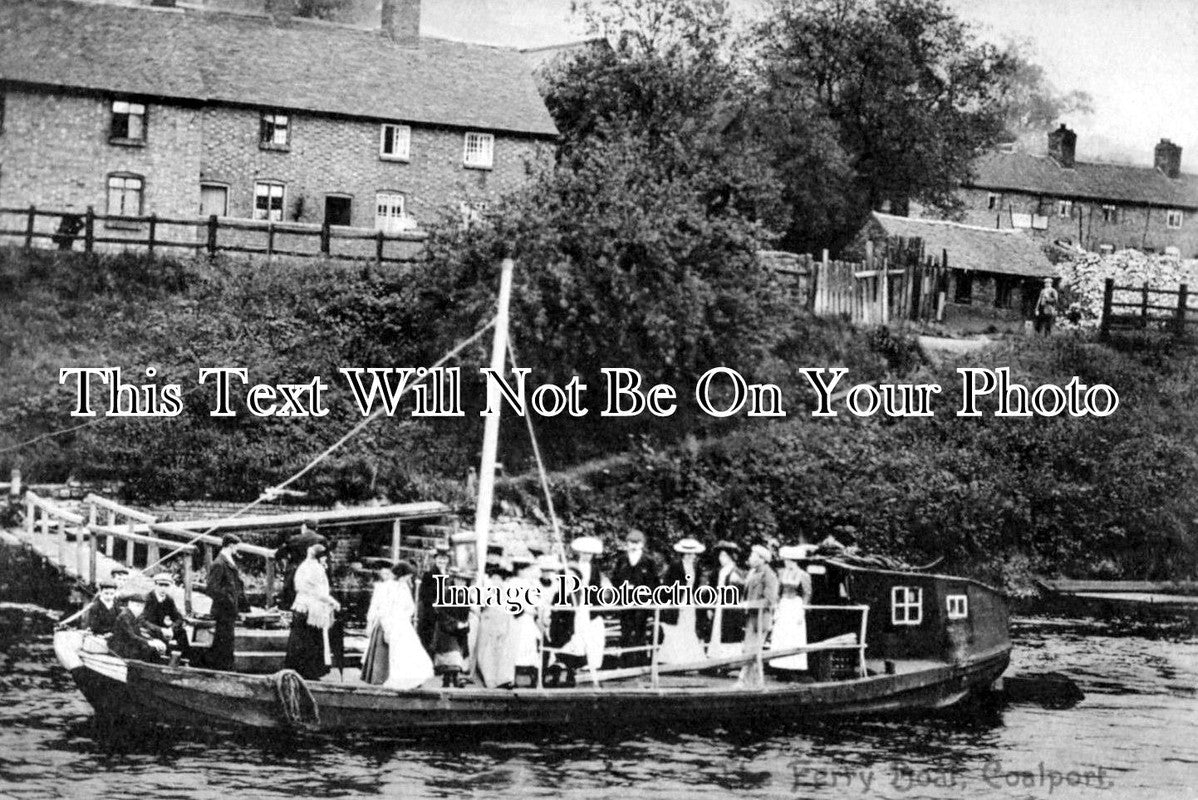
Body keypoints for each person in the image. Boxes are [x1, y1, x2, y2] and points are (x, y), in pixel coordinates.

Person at [285, 543, 341, 681]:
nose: (326, 560)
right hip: (311, 609)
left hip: (301, 606)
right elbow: (319, 592)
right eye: (325, 558)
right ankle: (310, 672)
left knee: (300, 640)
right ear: (320, 557)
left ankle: (296, 670)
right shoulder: (316, 569)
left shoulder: (304, 565)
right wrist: (333, 602)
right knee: (312, 641)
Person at [377, 561, 434, 689]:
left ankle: (414, 677)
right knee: (398, 653)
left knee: (412, 649)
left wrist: (407, 614)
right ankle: (400, 680)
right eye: (408, 576)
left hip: (403, 622)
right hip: (394, 623)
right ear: (402, 575)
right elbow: (384, 610)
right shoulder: (389, 587)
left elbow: (410, 606)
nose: (409, 578)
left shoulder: (403, 587)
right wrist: (387, 628)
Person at [609, 529, 660, 667]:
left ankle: (640, 661)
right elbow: (615, 579)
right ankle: (625, 661)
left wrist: (648, 599)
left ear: (642, 544)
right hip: (625, 601)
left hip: (641, 603)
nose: (633, 545)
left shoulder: (648, 561)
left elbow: (654, 583)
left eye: (637, 543)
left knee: (640, 631)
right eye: (631, 542)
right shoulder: (622, 560)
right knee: (625, 630)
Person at [558, 536, 607, 677]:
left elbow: (596, 588)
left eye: (590, 554)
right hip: (575, 603)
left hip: (589, 603)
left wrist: (597, 605)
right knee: (578, 632)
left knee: (593, 632)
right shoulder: (571, 567)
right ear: (579, 553)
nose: (587, 556)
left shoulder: (594, 569)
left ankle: (593, 662)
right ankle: (575, 661)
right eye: (584, 553)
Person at [657, 538, 708, 665]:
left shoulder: (696, 567)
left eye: (693, 554)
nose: (691, 556)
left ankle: (687, 659)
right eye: (688, 554)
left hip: (689, 600)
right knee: (676, 629)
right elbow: (668, 585)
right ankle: (673, 659)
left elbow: (695, 585)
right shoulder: (675, 566)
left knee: (689, 627)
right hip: (677, 600)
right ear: (684, 554)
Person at [201, 533, 246, 671]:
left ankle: (223, 667)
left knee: (226, 640)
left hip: (229, 609)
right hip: (223, 610)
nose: (237, 550)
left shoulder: (228, 561)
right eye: (236, 547)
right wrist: (228, 599)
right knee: (223, 640)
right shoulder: (219, 563)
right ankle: (222, 668)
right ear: (231, 545)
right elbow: (211, 588)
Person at [738, 544, 780, 686]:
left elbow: (769, 600)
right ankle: (751, 682)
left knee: (754, 650)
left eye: (753, 556)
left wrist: (750, 604)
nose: (750, 558)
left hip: (761, 618)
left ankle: (745, 681)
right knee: (749, 649)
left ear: (761, 559)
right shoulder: (753, 573)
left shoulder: (769, 575)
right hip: (752, 617)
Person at [769, 545, 813, 672]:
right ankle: (779, 667)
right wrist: (776, 606)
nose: (786, 562)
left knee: (793, 636)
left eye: (788, 560)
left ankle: (793, 668)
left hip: (795, 605)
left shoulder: (803, 575)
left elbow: (807, 593)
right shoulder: (782, 573)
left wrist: (802, 611)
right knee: (781, 635)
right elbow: (778, 591)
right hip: (784, 604)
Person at [705, 541, 746, 661]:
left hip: (730, 608)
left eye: (724, 556)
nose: (721, 558)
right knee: (716, 631)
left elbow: (738, 591)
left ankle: (729, 661)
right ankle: (715, 659)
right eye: (720, 556)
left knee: (729, 633)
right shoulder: (718, 572)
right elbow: (711, 589)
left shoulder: (736, 572)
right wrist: (710, 606)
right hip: (718, 605)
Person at [508, 551, 543, 687]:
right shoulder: (513, 583)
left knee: (529, 646)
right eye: (525, 569)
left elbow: (536, 601)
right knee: (517, 647)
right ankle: (514, 677)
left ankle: (532, 677)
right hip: (518, 619)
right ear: (520, 570)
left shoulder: (530, 584)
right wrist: (525, 609)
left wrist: (534, 609)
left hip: (528, 620)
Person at [274, 519, 327, 609]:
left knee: (292, 596)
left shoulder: (294, 539)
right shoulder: (322, 539)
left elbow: (279, 554)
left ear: (304, 527)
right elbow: (325, 557)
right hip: (314, 571)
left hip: (296, 570)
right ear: (316, 528)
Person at [432, 568, 471, 688]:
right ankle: (449, 678)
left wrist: (465, 624)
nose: (461, 583)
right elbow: (441, 612)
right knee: (451, 653)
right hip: (446, 629)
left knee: (457, 653)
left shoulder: (465, 596)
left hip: (459, 630)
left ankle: (454, 677)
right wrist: (454, 624)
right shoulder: (447, 594)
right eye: (458, 580)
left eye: (463, 581)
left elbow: (465, 613)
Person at [360, 561, 396, 685]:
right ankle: (377, 677)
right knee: (380, 650)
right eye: (383, 573)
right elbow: (374, 606)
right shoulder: (379, 587)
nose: (385, 575)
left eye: (388, 573)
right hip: (381, 620)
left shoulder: (396, 587)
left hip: (393, 620)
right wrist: (369, 623)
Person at [108, 590, 168, 663]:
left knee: (153, 649)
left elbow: (138, 633)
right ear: (130, 604)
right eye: (137, 605)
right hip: (120, 648)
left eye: (142, 606)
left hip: (128, 644)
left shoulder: (135, 616)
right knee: (148, 649)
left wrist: (153, 640)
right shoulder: (124, 617)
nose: (139, 609)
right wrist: (149, 642)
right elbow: (131, 636)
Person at [143, 573, 192, 661]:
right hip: (150, 630)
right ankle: (161, 660)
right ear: (155, 585)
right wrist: (161, 630)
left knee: (182, 632)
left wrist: (171, 629)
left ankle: (184, 660)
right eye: (160, 585)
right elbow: (143, 621)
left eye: (166, 586)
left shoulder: (168, 599)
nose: (163, 589)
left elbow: (178, 618)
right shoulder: (148, 598)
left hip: (165, 630)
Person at [417, 543, 451, 654]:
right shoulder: (428, 575)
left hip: (446, 613)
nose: (442, 562)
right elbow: (423, 594)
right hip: (431, 613)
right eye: (439, 559)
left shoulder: (450, 575)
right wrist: (434, 603)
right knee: (429, 639)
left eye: (444, 559)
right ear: (435, 560)